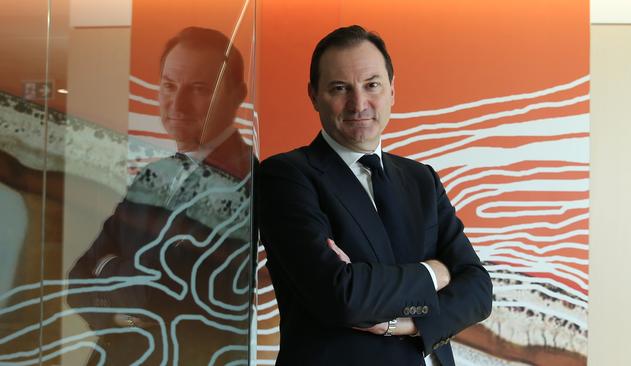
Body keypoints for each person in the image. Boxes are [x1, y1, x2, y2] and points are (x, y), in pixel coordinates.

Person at [259, 25, 492, 366]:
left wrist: (404, 325)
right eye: (340, 88)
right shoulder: (287, 176)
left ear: (392, 90)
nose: (359, 103)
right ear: (313, 95)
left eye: (372, 85)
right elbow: (341, 296)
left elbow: (478, 290)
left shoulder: (421, 179)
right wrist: (435, 273)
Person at [67, 27, 253, 365]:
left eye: (198, 89)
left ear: (237, 95)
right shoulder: (156, 175)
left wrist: (108, 269)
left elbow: (156, 293)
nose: (177, 104)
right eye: (169, 86)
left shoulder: (248, 183)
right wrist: (124, 306)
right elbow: (77, 279)